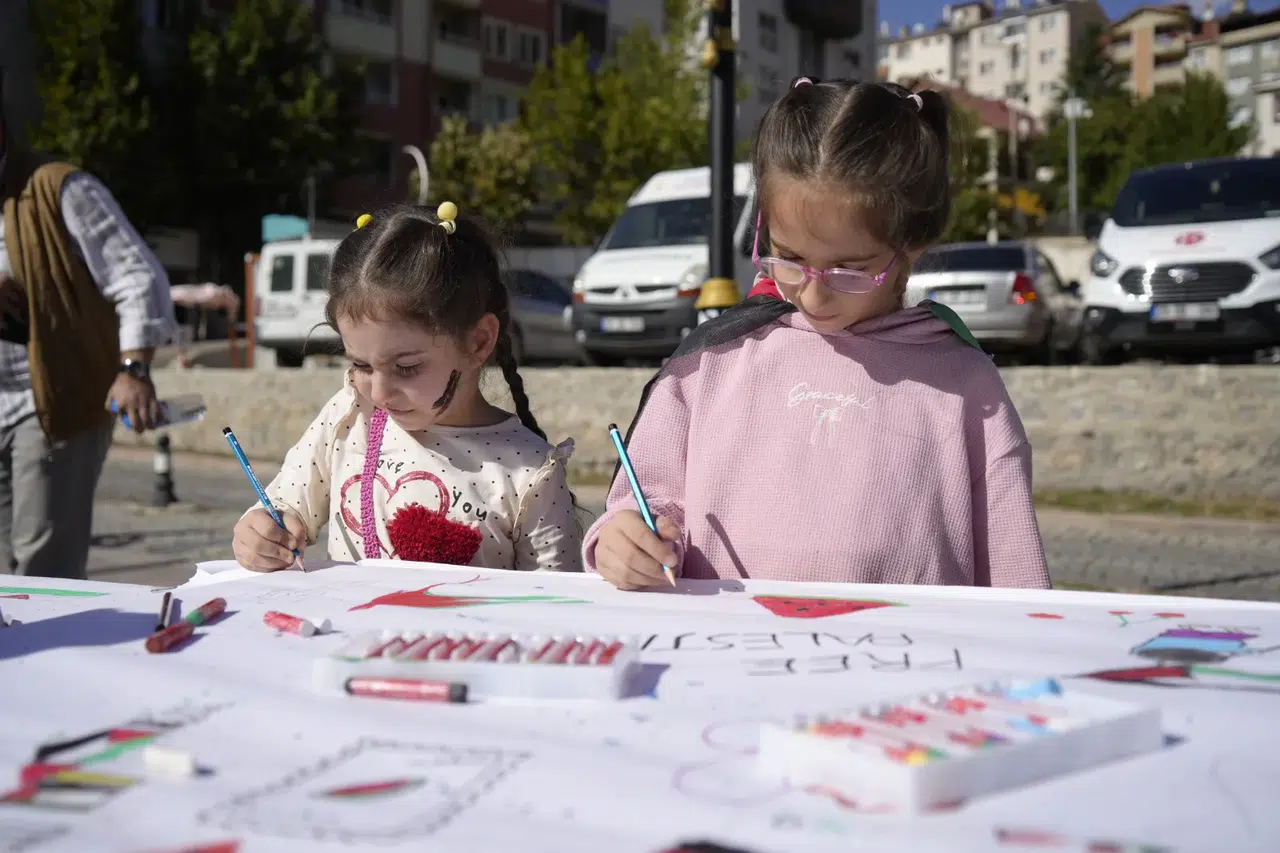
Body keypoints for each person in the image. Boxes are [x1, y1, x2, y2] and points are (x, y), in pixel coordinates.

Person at [585, 78, 1049, 590]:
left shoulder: (965, 386)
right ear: (763, 227)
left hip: (902, 664)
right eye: (789, 257)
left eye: (850, 268)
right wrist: (622, 540)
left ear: (912, 241)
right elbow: (642, 504)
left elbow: (1016, 585)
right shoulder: (709, 365)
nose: (813, 294)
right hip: (726, 659)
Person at [232, 202, 581, 571]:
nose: (379, 393)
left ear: (478, 342)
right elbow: (284, 505)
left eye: (406, 367)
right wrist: (262, 533)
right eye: (360, 364)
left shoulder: (529, 471)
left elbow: (555, 605)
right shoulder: (349, 417)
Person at [0, 72, 177, 580]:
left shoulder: (59, 189)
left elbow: (138, 277)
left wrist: (134, 369)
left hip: (52, 407)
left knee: (41, 564)